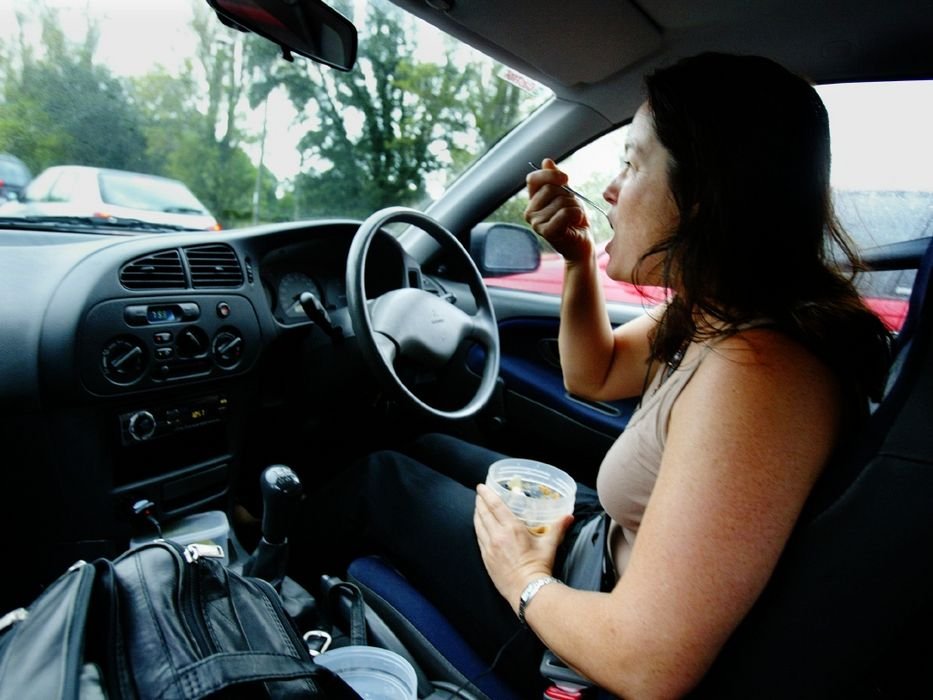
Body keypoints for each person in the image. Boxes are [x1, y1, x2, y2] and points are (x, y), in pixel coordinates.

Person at [291, 52, 891, 698]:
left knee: (379, 481)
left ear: (703, 194)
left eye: (632, 164)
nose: (609, 188)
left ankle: (263, 595)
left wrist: (523, 577)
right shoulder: (720, 315)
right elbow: (594, 375)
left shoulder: (759, 373)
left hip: (589, 633)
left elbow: (645, 664)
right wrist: (577, 257)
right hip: (600, 554)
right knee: (423, 446)